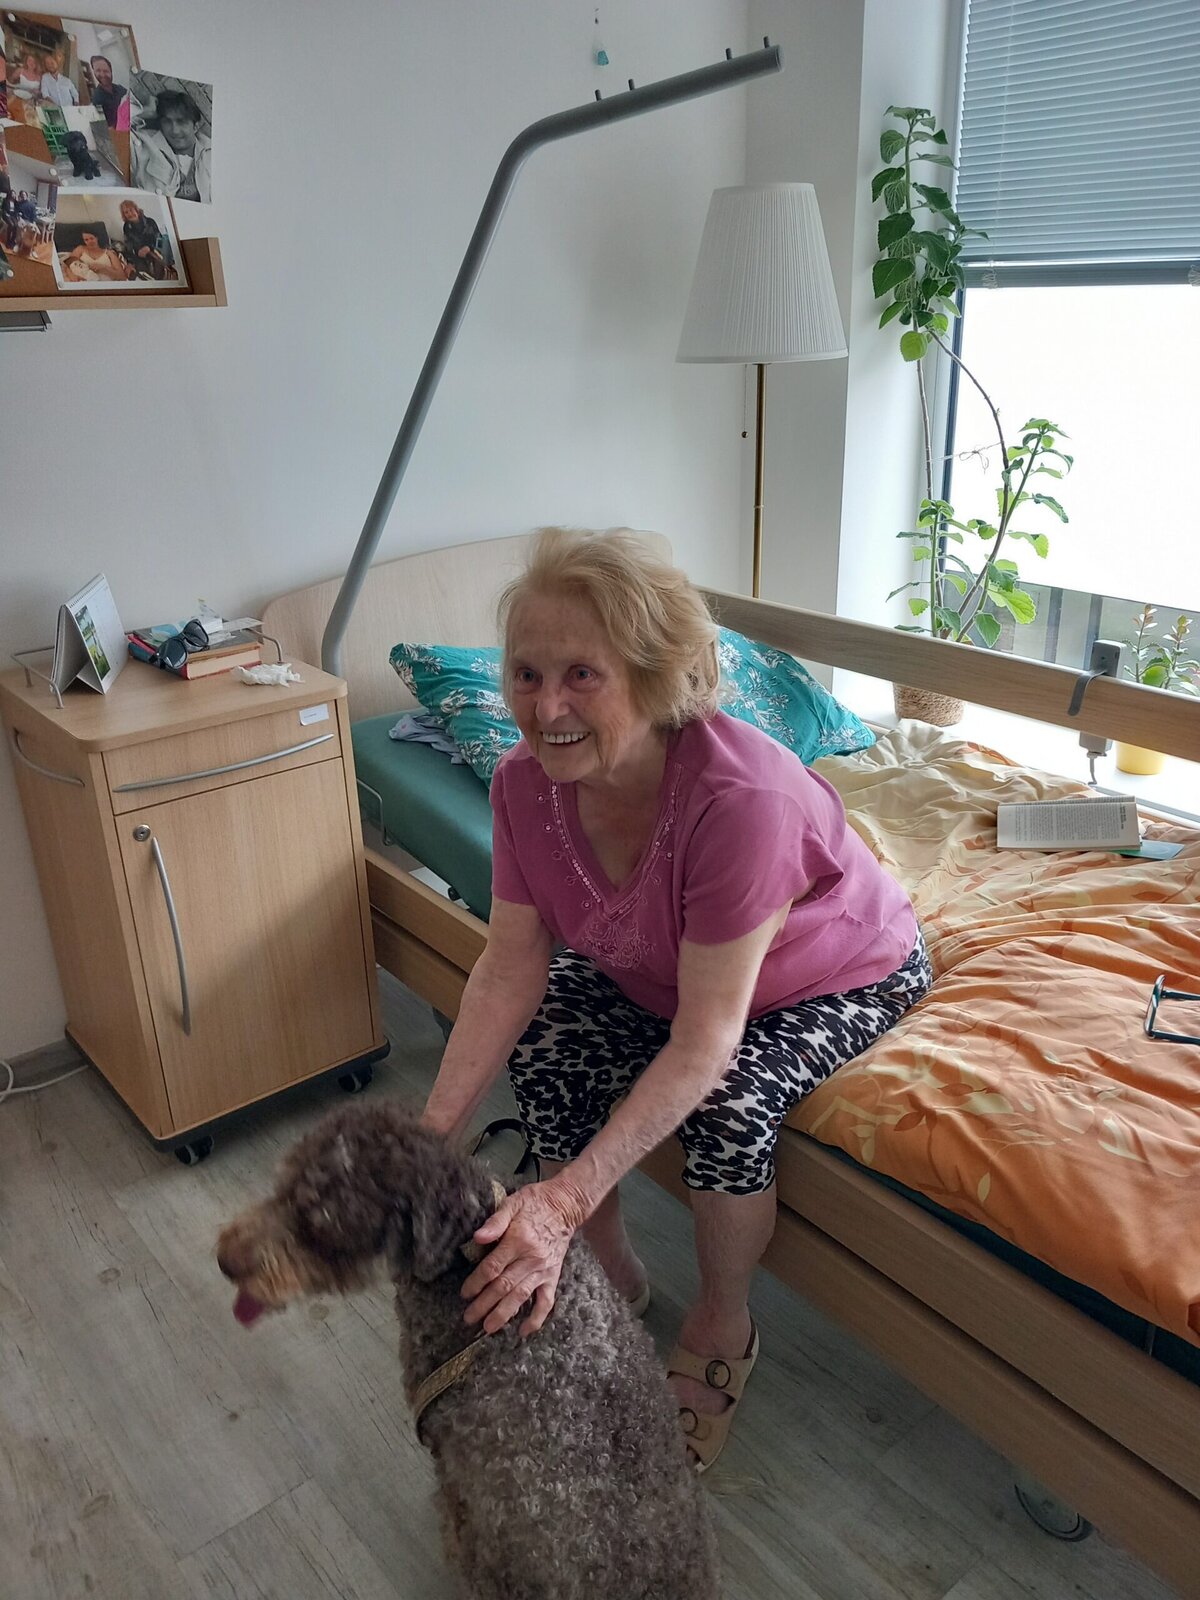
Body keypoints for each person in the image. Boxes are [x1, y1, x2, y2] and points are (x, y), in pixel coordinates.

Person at [421, 528, 932, 1472]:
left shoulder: (741, 802)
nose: (546, 707)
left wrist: (559, 1200)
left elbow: (705, 1043)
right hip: (668, 970)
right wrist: (425, 1139)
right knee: (546, 1037)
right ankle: (610, 1274)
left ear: (656, 680)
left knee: (728, 1107)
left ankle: (723, 1322)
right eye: (526, 674)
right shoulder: (523, 784)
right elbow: (509, 967)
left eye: (582, 674)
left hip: (829, 973)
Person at [131, 87, 211, 202]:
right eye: (167, 122)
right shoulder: (145, 145)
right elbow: (112, 124)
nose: (175, 130)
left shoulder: (212, 156)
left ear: (195, 126)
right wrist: (145, 111)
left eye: (181, 122)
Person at [120, 199, 170, 279]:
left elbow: (159, 241)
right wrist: (130, 262)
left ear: (136, 209)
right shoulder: (126, 227)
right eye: (126, 212)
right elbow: (128, 245)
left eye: (131, 210)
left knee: (158, 265)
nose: (130, 214)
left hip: (154, 252)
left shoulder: (150, 222)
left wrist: (149, 247)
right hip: (139, 255)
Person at [61, 228, 131, 282]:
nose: (89, 242)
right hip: (83, 283)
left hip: (105, 285)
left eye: (91, 238)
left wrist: (104, 268)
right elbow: (67, 264)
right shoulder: (80, 249)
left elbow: (122, 276)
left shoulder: (109, 253)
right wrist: (73, 276)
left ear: (97, 238)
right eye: (86, 240)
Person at [81, 54, 127, 128]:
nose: (102, 75)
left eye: (105, 71)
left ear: (111, 72)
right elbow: (105, 129)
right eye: (98, 71)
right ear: (94, 72)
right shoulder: (97, 100)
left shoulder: (120, 89)